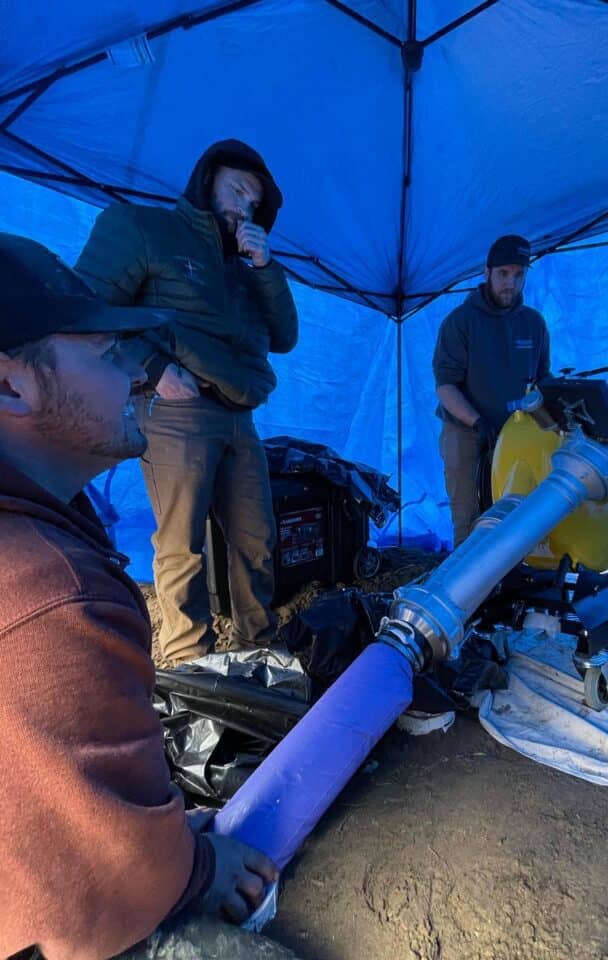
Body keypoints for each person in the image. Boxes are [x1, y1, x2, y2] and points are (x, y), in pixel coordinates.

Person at [0, 234, 279, 960]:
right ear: (10, 386)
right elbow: (108, 891)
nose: (139, 375)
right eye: (106, 353)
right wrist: (198, 869)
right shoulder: (52, 597)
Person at [75, 140, 299, 665]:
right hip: (179, 408)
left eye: (254, 202)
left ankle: (256, 646)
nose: (244, 206)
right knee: (182, 545)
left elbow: (286, 336)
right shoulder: (145, 228)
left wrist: (265, 265)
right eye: (236, 190)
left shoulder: (247, 267)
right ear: (207, 179)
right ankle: (189, 661)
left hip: (240, 411)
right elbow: (88, 308)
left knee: (256, 539)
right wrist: (152, 369)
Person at [432, 234, 551, 546]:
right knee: (468, 519)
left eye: (519, 274)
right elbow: (445, 386)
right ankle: (466, 576)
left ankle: (511, 573)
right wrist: (478, 422)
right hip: (465, 431)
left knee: (515, 515)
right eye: (503, 273)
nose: (510, 283)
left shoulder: (534, 324)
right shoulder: (460, 322)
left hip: (516, 433)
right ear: (487, 273)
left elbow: (543, 382)